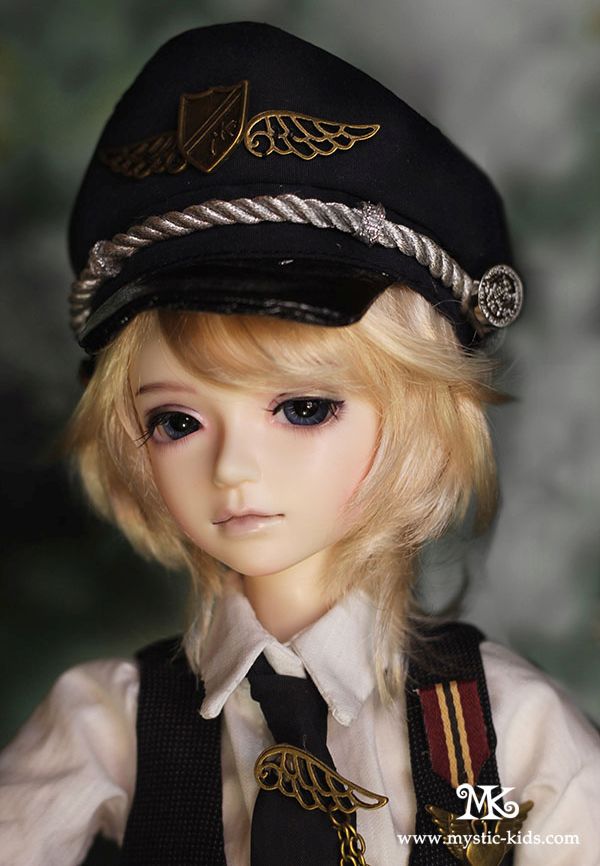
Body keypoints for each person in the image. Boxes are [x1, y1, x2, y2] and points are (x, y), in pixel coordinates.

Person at [0, 21, 598, 866]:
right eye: (177, 422)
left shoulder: (508, 731)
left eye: (305, 408)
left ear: (422, 418)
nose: (233, 468)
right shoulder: (108, 728)